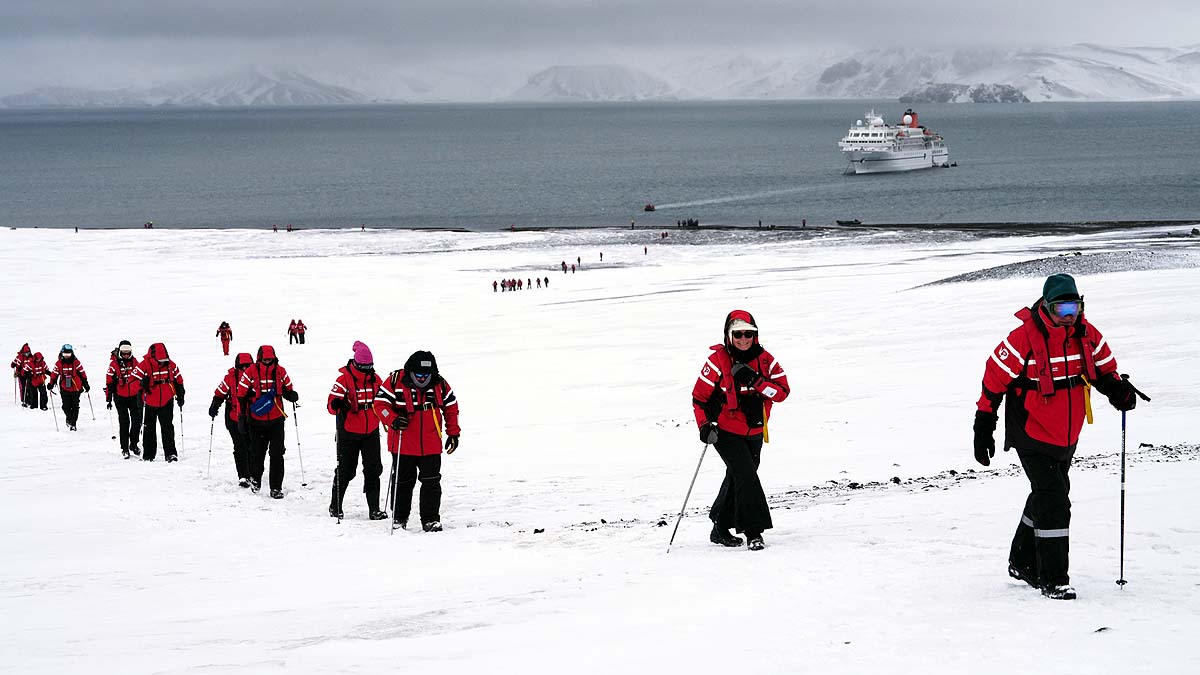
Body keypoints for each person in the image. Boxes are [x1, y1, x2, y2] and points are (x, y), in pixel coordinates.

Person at [974, 273, 1140, 601]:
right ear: (1047, 307)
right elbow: (994, 380)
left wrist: (1118, 391)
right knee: (1054, 499)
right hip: (1030, 430)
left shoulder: (1087, 335)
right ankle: (1053, 579)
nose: (1069, 315)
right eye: (1062, 308)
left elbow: (1104, 370)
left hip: (1067, 432)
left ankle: (1021, 561)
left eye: (1074, 307)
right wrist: (983, 425)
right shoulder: (1022, 338)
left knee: (1049, 492)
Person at [691, 311, 790, 551]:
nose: (743, 339)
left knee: (739, 476)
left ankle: (720, 526)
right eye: (738, 334)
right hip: (724, 430)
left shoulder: (766, 360)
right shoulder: (717, 361)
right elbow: (699, 398)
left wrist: (757, 381)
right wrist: (704, 426)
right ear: (728, 334)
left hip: (755, 430)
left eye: (749, 333)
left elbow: (782, 393)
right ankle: (753, 531)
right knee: (746, 475)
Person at [373, 350, 461, 532]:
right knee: (403, 482)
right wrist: (392, 419)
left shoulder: (440, 383)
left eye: (426, 374)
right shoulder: (395, 381)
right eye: (418, 374)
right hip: (402, 441)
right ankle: (399, 518)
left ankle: (430, 520)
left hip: (431, 442)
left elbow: (451, 407)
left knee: (431, 482)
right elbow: (380, 404)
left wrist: (453, 433)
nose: (422, 378)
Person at [327, 341, 385, 520]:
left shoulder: (376, 380)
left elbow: (383, 402)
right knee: (346, 470)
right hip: (349, 431)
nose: (368, 369)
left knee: (374, 470)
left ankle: (374, 509)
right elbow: (330, 405)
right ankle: (335, 506)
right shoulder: (343, 380)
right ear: (357, 363)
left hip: (371, 431)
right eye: (365, 366)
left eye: (370, 366)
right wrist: (337, 404)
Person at [236, 345, 298, 498]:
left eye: (270, 360)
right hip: (256, 421)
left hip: (277, 420)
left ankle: (276, 487)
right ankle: (255, 479)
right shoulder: (250, 371)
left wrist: (291, 395)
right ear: (259, 359)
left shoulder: (281, 371)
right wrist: (242, 417)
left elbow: (287, 388)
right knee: (257, 454)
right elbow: (241, 394)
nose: (268, 362)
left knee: (277, 454)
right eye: (265, 360)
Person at [209, 353, 254, 486]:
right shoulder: (230, 377)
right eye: (242, 366)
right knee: (240, 445)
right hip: (233, 417)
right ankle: (243, 476)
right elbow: (220, 392)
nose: (245, 368)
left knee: (252, 446)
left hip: (252, 418)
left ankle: (253, 473)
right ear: (237, 366)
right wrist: (215, 405)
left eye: (248, 366)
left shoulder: (256, 376)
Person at [135, 343, 184, 462]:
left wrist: (180, 393)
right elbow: (133, 381)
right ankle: (148, 455)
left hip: (167, 400)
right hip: (149, 401)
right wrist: (142, 383)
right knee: (148, 429)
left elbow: (178, 379)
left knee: (167, 427)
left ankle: (171, 453)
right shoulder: (144, 365)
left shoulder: (171, 364)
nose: (163, 362)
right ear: (154, 358)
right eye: (160, 360)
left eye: (164, 359)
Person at [106, 340, 143, 458]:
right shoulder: (113, 364)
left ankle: (133, 444)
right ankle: (125, 448)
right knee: (124, 422)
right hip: (120, 396)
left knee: (137, 421)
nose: (126, 355)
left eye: (128, 353)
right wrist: (109, 398)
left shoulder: (136, 362)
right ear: (120, 352)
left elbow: (142, 377)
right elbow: (109, 382)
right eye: (124, 353)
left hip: (134, 396)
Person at [47, 344, 90, 431]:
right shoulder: (58, 363)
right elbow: (54, 374)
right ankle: (69, 418)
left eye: (69, 354)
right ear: (62, 353)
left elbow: (82, 373)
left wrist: (86, 384)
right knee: (66, 406)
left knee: (75, 406)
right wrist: (51, 383)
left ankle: (73, 424)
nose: (67, 356)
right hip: (64, 387)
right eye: (65, 354)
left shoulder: (76, 362)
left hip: (76, 387)